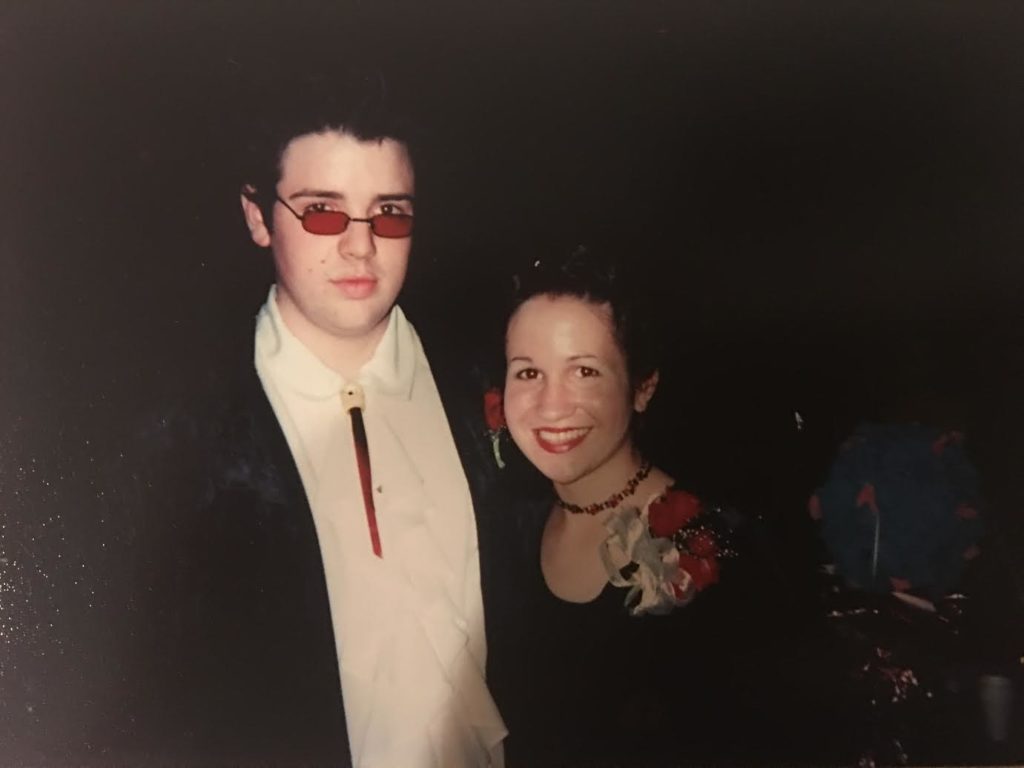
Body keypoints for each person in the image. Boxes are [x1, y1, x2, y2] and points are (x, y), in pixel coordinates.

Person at [145, 75, 508, 767]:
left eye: (391, 212)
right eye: (322, 212)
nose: (361, 247)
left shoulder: (489, 386)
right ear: (258, 215)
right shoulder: (184, 438)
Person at [487, 246, 830, 767]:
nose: (551, 406)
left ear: (642, 387)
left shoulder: (725, 556)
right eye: (528, 373)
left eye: (585, 372)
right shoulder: (505, 535)